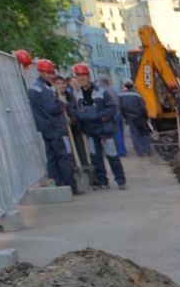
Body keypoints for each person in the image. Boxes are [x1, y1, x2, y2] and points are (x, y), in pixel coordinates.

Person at [69, 67, 126, 190]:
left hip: (104, 131)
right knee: (96, 159)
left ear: (89, 77)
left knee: (112, 156)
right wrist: (81, 115)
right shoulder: (76, 95)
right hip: (89, 132)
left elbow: (112, 107)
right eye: (79, 76)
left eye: (84, 75)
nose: (82, 78)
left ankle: (120, 180)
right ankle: (102, 181)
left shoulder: (101, 92)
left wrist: (100, 116)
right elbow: (73, 110)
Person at [26, 59, 77, 193]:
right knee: (65, 156)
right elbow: (52, 108)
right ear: (40, 72)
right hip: (57, 128)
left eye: (51, 72)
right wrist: (62, 103)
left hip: (45, 128)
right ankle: (70, 186)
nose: (50, 76)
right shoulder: (45, 90)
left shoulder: (34, 87)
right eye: (47, 73)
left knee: (52, 159)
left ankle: (57, 186)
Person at [118, 79, 152, 156]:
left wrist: (125, 117)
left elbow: (120, 107)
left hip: (129, 117)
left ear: (125, 86)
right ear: (132, 85)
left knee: (134, 134)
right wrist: (146, 116)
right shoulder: (137, 94)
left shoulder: (121, 95)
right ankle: (147, 150)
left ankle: (139, 152)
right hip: (140, 117)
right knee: (145, 133)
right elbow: (143, 107)